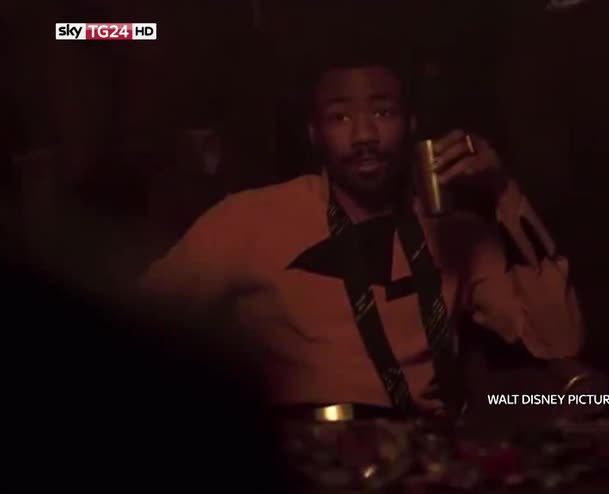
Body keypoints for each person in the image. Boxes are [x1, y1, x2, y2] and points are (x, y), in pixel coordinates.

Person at [139, 46, 585, 419]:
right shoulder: (248, 218)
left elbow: (559, 338)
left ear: (410, 125)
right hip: (305, 449)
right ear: (314, 133)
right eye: (340, 118)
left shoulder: (457, 231)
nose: (365, 135)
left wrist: (504, 190)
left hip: (424, 452)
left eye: (382, 112)